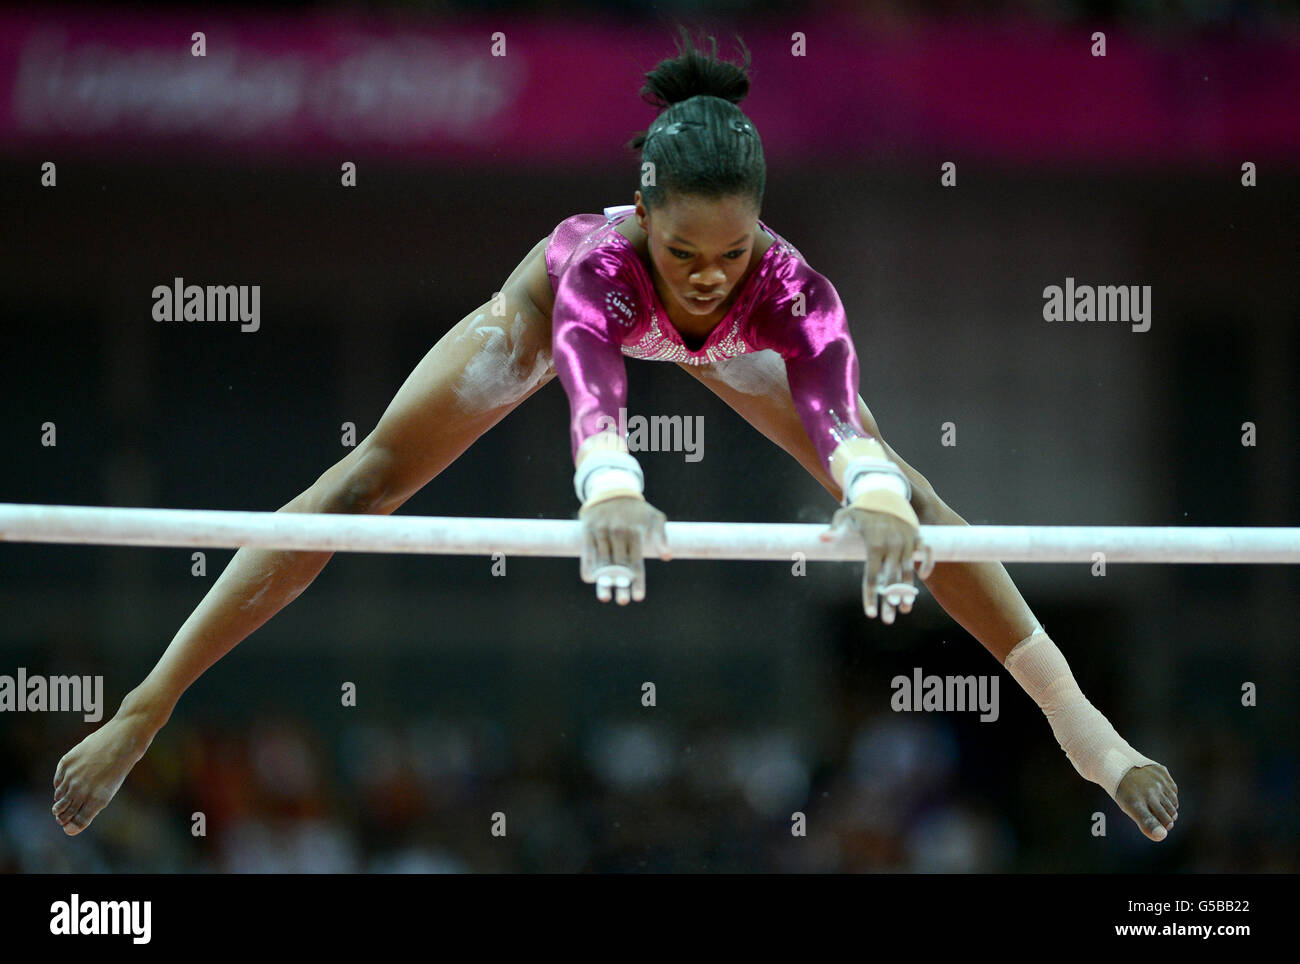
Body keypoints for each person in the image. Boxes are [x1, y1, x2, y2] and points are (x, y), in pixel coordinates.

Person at [52, 30, 1177, 848]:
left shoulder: (790, 291)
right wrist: (610, 483)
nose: (703, 275)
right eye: (684, 251)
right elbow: (591, 379)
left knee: (919, 504)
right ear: (642, 212)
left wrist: (872, 493)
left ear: (760, 239)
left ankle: (1084, 731)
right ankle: (145, 707)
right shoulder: (595, 264)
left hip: (734, 353)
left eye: (729, 255)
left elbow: (839, 412)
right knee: (364, 483)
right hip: (549, 319)